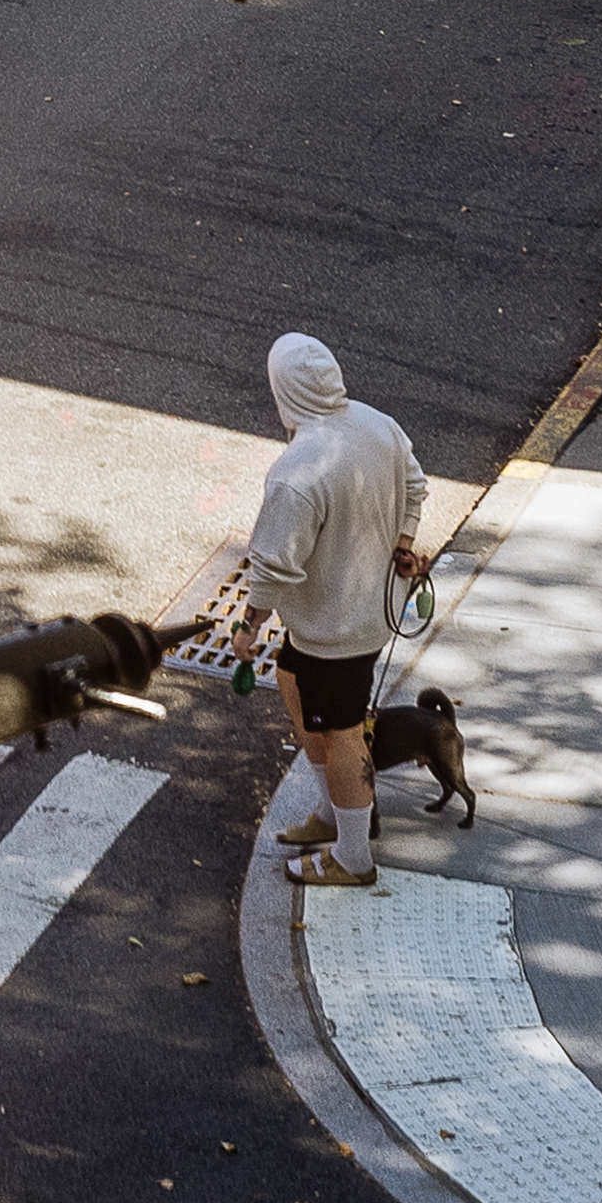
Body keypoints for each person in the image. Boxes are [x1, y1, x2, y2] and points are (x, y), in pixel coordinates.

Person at [240, 331, 430, 883]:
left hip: (338, 626)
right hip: (357, 613)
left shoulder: (297, 472)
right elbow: (415, 485)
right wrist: (404, 541)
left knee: (344, 733)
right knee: (291, 680)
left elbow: (274, 565)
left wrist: (249, 625)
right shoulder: (378, 424)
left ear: (284, 391)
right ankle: (337, 814)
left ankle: (353, 856)